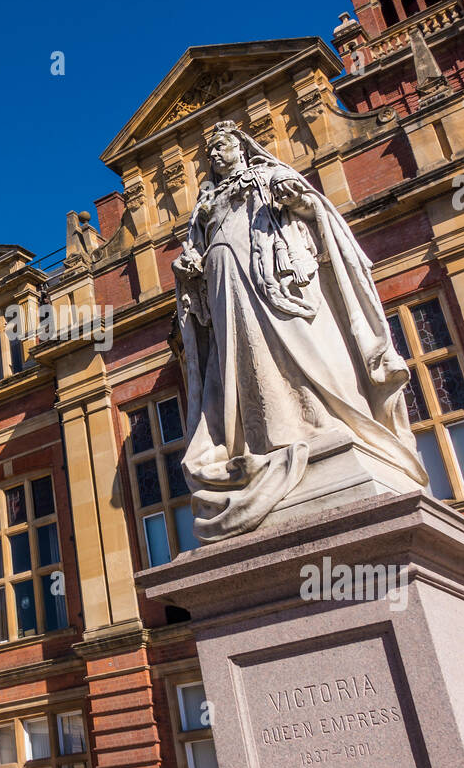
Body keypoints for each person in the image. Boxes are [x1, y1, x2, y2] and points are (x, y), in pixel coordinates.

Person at [173, 120, 426, 541]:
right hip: (223, 287)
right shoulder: (205, 204)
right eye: (209, 152)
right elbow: (193, 252)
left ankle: (321, 421)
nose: (214, 156)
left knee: (295, 343)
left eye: (221, 147)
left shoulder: (268, 175)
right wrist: (190, 269)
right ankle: (267, 437)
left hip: (273, 278)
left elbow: (315, 211)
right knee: (243, 362)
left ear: (241, 146)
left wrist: (301, 201)